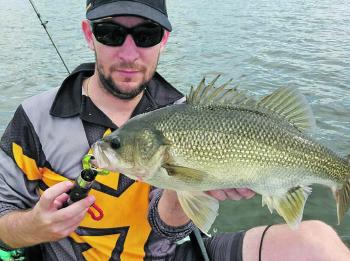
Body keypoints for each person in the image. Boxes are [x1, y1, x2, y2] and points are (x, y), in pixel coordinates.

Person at [0, 0, 349, 260]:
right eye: (111, 33)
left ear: (164, 39)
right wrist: (34, 226)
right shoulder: (35, 118)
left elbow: (167, 233)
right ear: (89, 34)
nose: (128, 52)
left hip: (173, 254)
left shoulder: (182, 111)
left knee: (317, 244)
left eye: (146, 35)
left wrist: (196, 189)